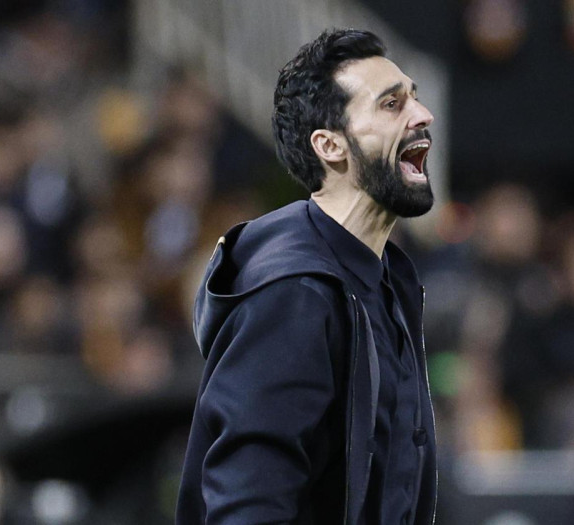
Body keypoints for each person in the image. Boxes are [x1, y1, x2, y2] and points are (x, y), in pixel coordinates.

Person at [175, 28, 438, 524]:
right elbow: (248, 505)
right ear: (330, 146)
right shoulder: (294, 294)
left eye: (415, 99)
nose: (422, 116)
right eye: (391, 104)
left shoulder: (385, 283)